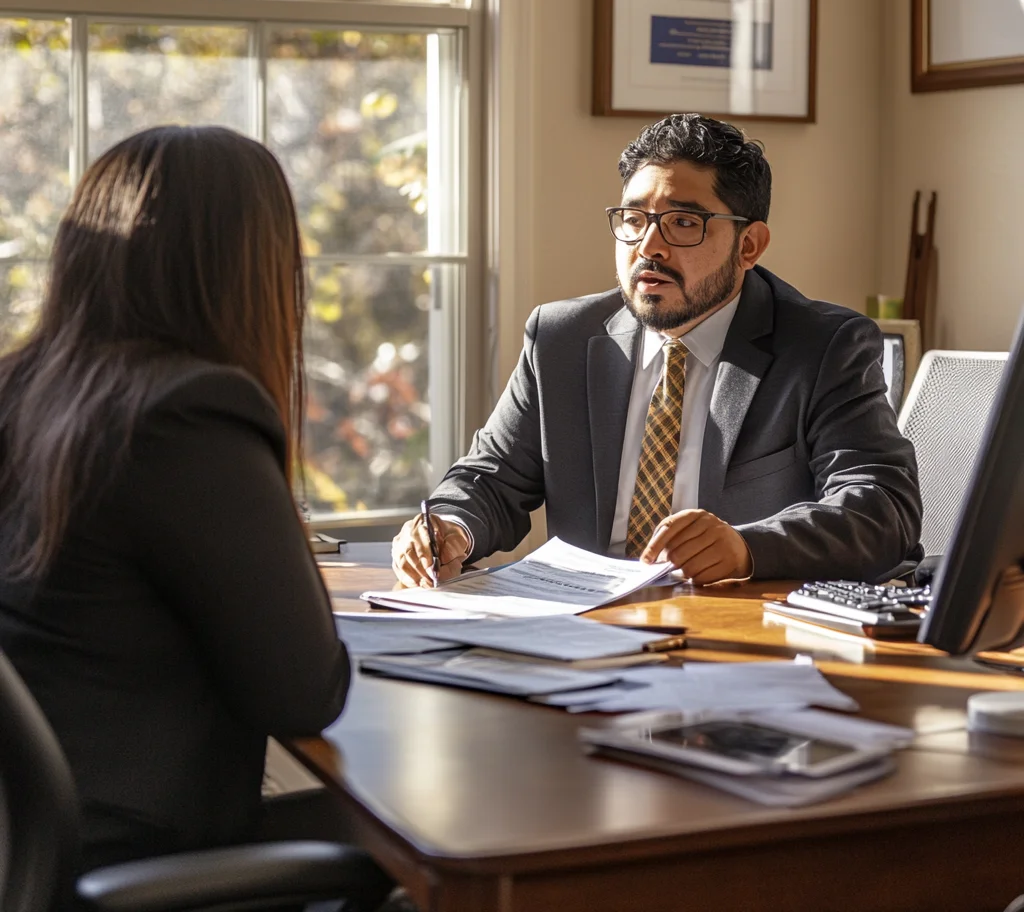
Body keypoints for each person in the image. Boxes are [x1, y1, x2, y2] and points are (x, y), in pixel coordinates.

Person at [0, 126, 362, 875]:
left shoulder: (24, 388)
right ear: (247, 268)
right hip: (128, 846)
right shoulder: (187, 411)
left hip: (32, 834)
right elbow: (304, 691)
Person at [394, 113, 922, 587]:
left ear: (749, 246)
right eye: (633, 219)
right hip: (583, 635)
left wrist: (747, 548)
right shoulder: (560, 339)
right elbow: (491, 478)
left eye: (683, 223)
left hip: (739, 643)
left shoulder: (823, 346)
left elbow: (883, 510)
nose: (649, 246)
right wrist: (450, 527)